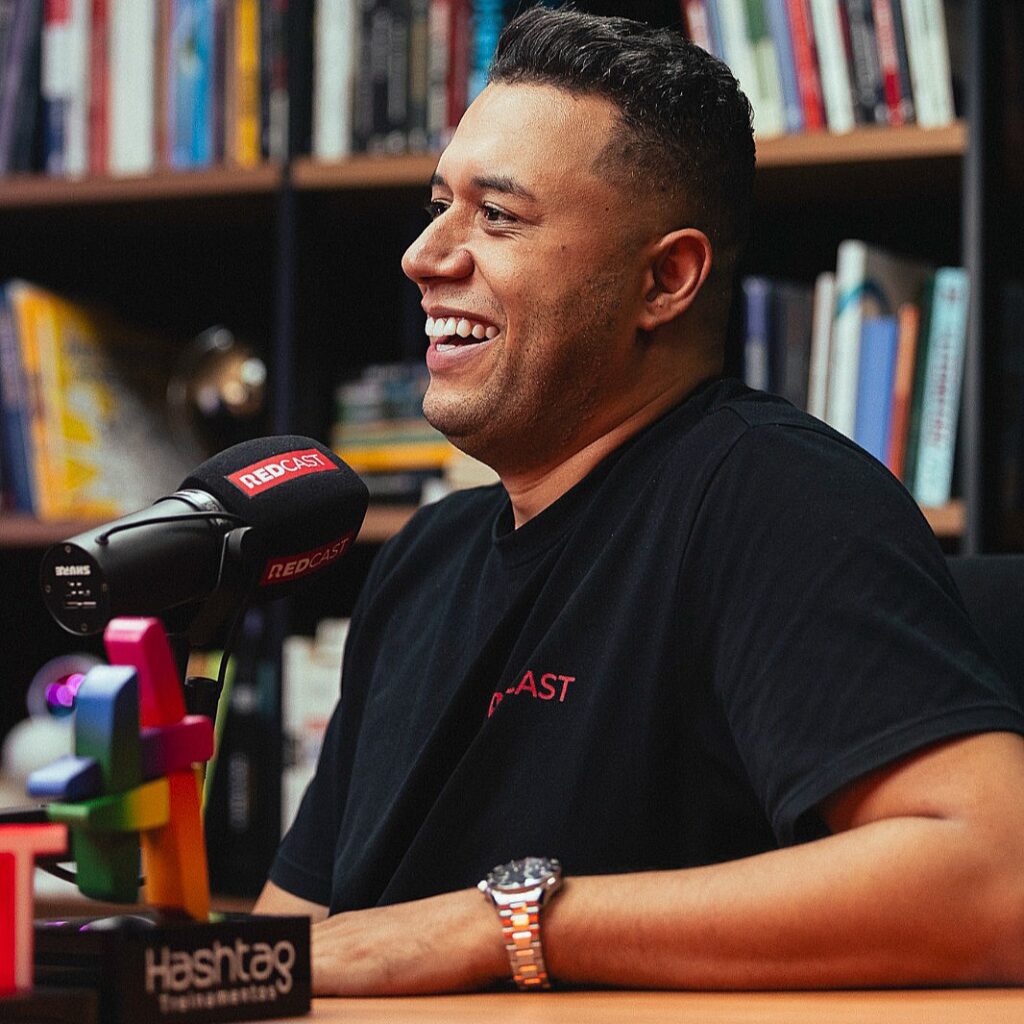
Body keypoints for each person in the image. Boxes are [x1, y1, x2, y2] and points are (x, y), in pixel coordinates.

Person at [255, 6, 1024, 994]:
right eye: (438, 204)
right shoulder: (423, 556)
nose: (424, 255)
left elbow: (995, 876)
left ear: (666, 278)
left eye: (497, 216)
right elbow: (292, 945)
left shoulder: (772, 496)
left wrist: (500, 925)